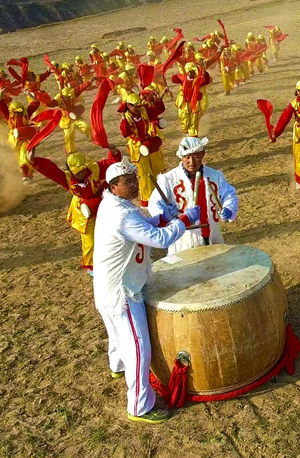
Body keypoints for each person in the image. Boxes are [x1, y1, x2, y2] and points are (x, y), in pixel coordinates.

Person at [93, 160, 200, 424]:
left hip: (110, 286)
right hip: (123, 292)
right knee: (139, 347)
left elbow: (145, 226)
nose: (134, 185)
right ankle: (139, 406)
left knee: (117, 335)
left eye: (134, 179)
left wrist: (162, 218)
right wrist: (184, 220)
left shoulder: (114, 205)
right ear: (113, 187)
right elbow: (160, 239)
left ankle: (117, 367)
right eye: (127, 182)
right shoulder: (122, 216)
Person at [33, 148, 121, 273]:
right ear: (70, 171)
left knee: (108, 234)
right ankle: (92, 267)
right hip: (83, 212)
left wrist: (113, 152)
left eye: (82, 170)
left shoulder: (95, 169)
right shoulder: (66, 178)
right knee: (90, 241)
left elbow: (112, 163)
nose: (80, 173)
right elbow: (50, 170)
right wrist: (34, 160)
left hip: (101, 204)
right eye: (77, 172)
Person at [148, 137, 239, 253]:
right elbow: (154, 203)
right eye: (187, 157)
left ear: (203, 154)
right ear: (181, 157)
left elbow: (228, 194)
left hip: (212, 234)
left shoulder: (215, 176)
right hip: (183, 238)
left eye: (196, 156)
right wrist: (166, 216)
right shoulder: (169, 179)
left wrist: (229, 208)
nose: (191, 162)